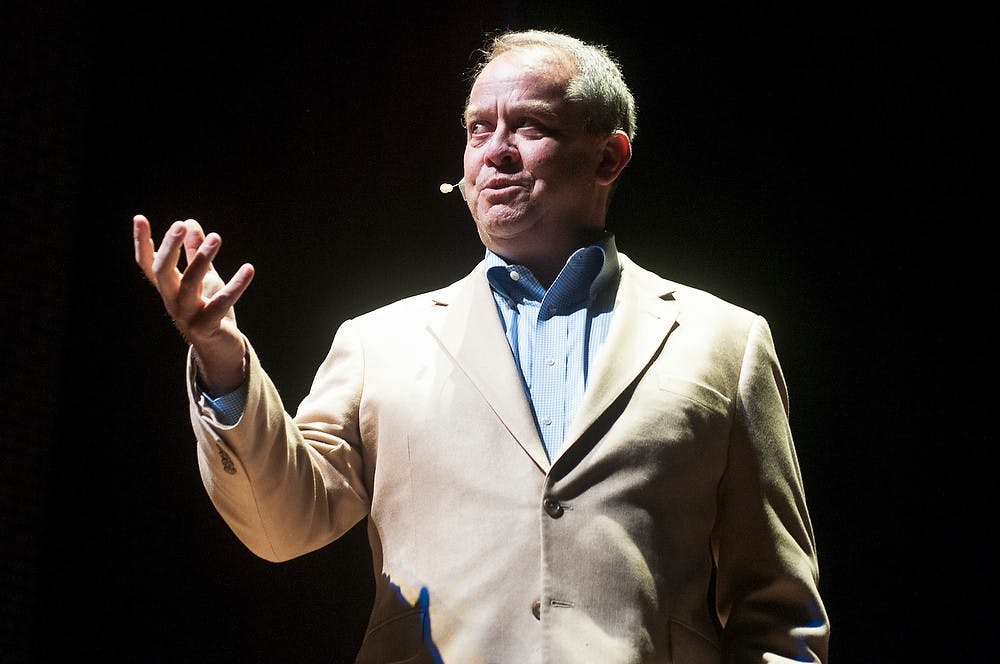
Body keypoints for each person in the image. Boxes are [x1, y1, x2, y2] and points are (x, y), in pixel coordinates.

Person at [133, 28, 830, 664]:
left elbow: (778, 610)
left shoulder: (723, 342)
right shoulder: (379, 341)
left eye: (529, 125)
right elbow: (282, 523)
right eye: (477, 128)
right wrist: (220, 353)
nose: (494, 150)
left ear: (609, 156)